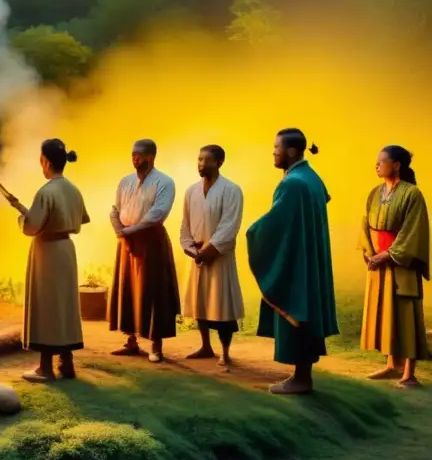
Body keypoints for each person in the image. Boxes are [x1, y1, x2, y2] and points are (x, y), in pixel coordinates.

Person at [246, 128, 338, 395]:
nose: (273, 152)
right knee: (304, 308)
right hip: (308, 254)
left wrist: (254, 233)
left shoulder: (292, 183)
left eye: (277, 147)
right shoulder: (311, 177)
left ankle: (300, 379)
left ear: (292, 151)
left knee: (295, 304)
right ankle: (301, 376)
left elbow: (278, 221)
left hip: (298, 259)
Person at [11, 138, 89, 383]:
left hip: (47, 252)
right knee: (63, 305)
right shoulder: (72, 189)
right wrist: (24, 208)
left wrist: (22, 218)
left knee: (46, 305)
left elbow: (32, 226)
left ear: (45, 162)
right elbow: (77, 218)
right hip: (66, 249)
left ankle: (45, 368)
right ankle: (67, 362)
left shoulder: (46, 191)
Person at [359, 145, 430, 388]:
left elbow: (414, 231)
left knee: (405, 314)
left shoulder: (412, 194)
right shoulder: (374, 193)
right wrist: (370, 253)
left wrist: (389, 254)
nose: (376, 165)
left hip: (401, 263)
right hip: (378, 262)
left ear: (397, 164)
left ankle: (408, 372)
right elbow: (365, 225)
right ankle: (391, 365)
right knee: (385, 313)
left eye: (382, 161)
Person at [108, 139, 181, 362]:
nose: (134, 158)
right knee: (128, 288)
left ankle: (156, 346)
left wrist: (129, 232)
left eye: (139, 154)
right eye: (132, 154)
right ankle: (131, 341)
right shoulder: (125, 181)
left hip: (150, 240)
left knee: (153, 291)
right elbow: (115, 209)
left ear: (150, 157)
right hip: (126, 239)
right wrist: (120, 230)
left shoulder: (164, 182)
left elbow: (157, 214)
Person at [179, 145, 245, 367]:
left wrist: (209, 251)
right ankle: (205, 346)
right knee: (200, 303)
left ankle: (225, 352)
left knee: (222, 305)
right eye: (198, 159)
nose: (200, 164)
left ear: (219, 163)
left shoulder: (231, 190)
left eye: (206, 160)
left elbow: (230, 225)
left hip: (219, 259)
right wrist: (189, 247)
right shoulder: (191, 191)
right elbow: (185, 224)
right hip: (197, 257)